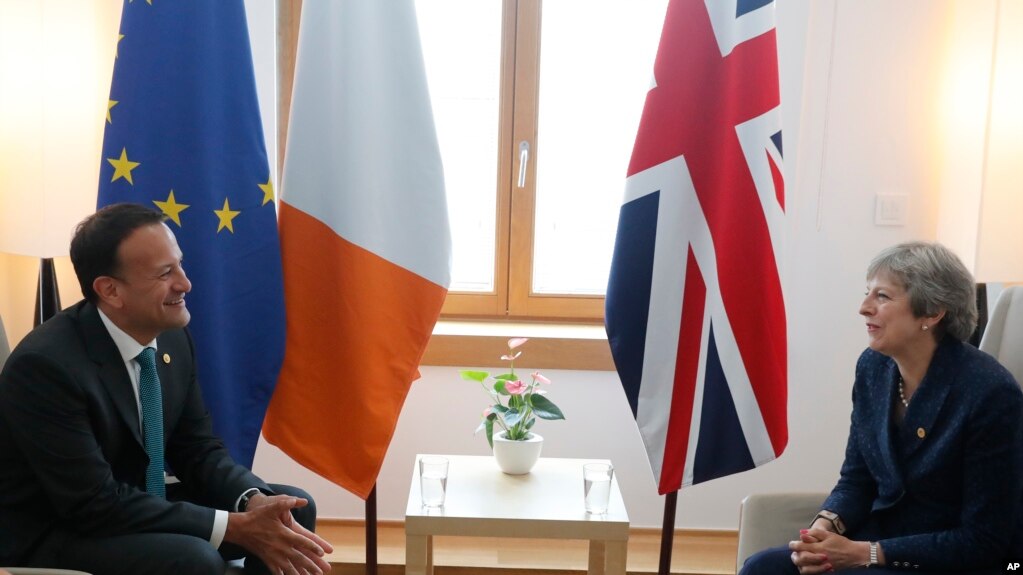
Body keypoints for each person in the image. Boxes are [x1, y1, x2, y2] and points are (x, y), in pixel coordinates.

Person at [0, 204, 333, 574]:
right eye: (165, 273)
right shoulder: (46, 367)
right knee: (195, 558)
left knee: (291, 508)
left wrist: (253, 501)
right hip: (57, 528)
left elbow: (198, 450)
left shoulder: (172, 338)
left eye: (179, 264)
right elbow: (93, 503)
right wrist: (234, 528)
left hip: (132, 501)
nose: (185, 283)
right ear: (110, 290)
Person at [740, 242, 1022, 575]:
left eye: (882, 297)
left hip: (943, 558)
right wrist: (821, 530)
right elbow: (856, 479)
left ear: (932, 313)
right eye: (867, 293)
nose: (863, 307)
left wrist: (865, 553)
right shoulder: (873, 367)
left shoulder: (990, 393)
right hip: (876, 540)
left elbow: (983, 540)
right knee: (763, 567)